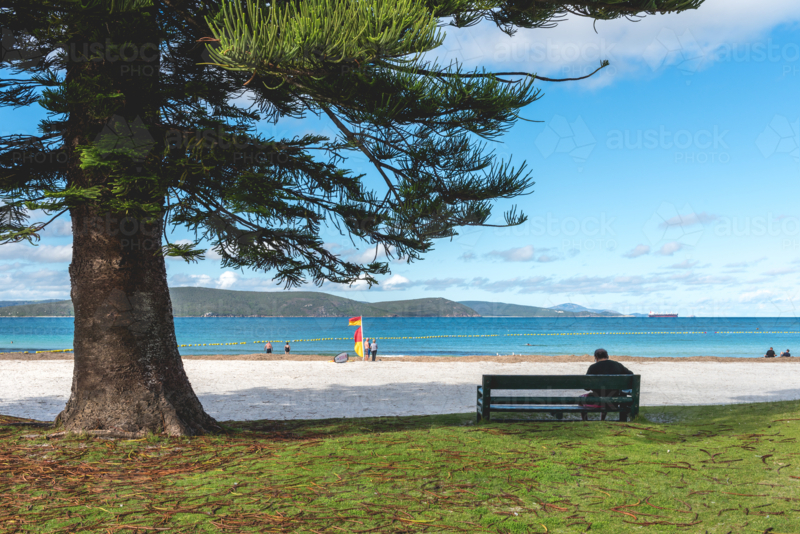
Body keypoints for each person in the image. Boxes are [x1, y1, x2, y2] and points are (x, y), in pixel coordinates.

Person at [581, 348, 633, 421]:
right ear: (607, 356)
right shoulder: (618, 365)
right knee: (607, 394)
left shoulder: (593, 367)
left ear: (596, 357)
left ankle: (585, 420)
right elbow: (631, 375)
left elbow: (586, 387)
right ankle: (602, 420)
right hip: (614, 401)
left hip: (597, 400)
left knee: (581, 399)